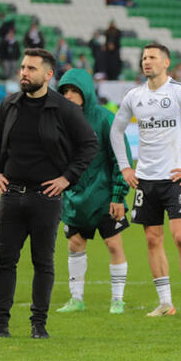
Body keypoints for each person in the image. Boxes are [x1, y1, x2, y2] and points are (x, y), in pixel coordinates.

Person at [0, 49, 98, 340]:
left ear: (48, 75)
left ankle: (38, 325)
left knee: (43, 262)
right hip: (11, 195)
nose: (24, 73)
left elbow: (89, 144)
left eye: (31, 68)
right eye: (22, 67)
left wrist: (67, 178)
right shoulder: (10, 104)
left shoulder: (63, 108)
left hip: (45, 198)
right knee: (5, 262)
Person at [109, 44, 181, 318]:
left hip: (174, 178)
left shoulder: (180, 91)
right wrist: (125, 167)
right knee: (152, 240)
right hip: (144, 180)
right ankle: (166, 303)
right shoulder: (134, 96)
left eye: (152, 57)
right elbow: (116, 130)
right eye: (144, 57)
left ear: (166, 62)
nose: (147, 61)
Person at [53, 68, 132, 315]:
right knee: (75, 245)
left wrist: (118, 196)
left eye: (74, 91)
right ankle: (76, 299)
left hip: (104, 197)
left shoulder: (105, 119)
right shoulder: (58, 122)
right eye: (64, 91)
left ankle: (117, 300)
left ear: (86, 92)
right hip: (74, 198)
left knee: (114, 245)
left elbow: (121, 159)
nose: (68, 96)